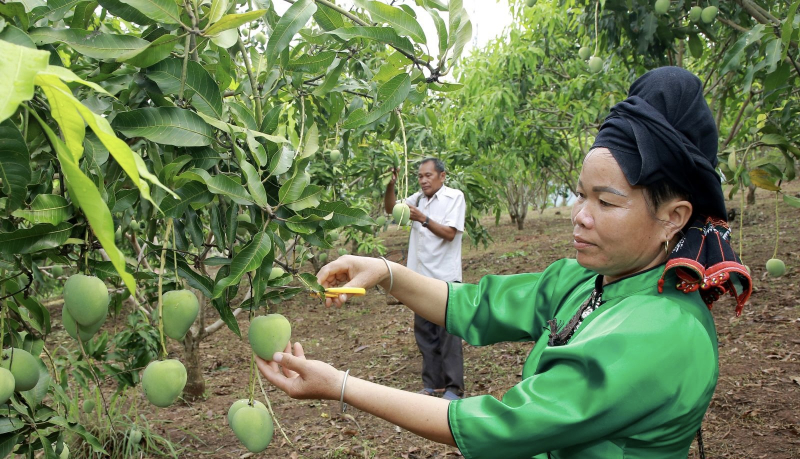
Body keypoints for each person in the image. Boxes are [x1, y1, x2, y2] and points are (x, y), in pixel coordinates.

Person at [257, 67, 753, 458]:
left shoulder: (663, 332)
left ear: (673, 218)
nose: (579, 216)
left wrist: (340, 386)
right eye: (581, 195)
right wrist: (387, 273)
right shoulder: (588, 279)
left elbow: (500, 423)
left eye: (605, 202)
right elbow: (477, 304)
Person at [383, 157, 466, 401]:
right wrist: (390, 184)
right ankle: (433, 385)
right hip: (420, 278)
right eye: (420, 176)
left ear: (442, 176)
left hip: (445, 278)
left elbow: (450, 233)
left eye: (428, 175)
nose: (423, 180)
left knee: (448, 334)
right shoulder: (417, 199)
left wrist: (423, 219)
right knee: (425, 334)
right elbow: (390, 209)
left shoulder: (454, 197)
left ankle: (454, 388)